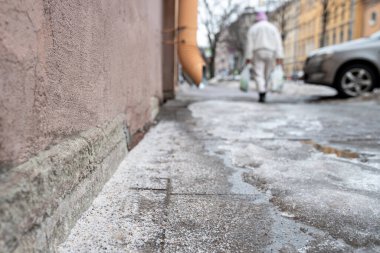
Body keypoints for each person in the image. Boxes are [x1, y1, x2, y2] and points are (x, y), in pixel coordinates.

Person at [245, 11, 284, 103]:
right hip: (271, 52)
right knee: (267, 72)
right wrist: (279, 56)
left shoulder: (253, 28)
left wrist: (248, 57)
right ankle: (264, 89)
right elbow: (278, 43)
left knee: (258, 73)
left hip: (257, 51)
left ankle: (261, 92)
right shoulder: (272, 28)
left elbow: (249, 44)